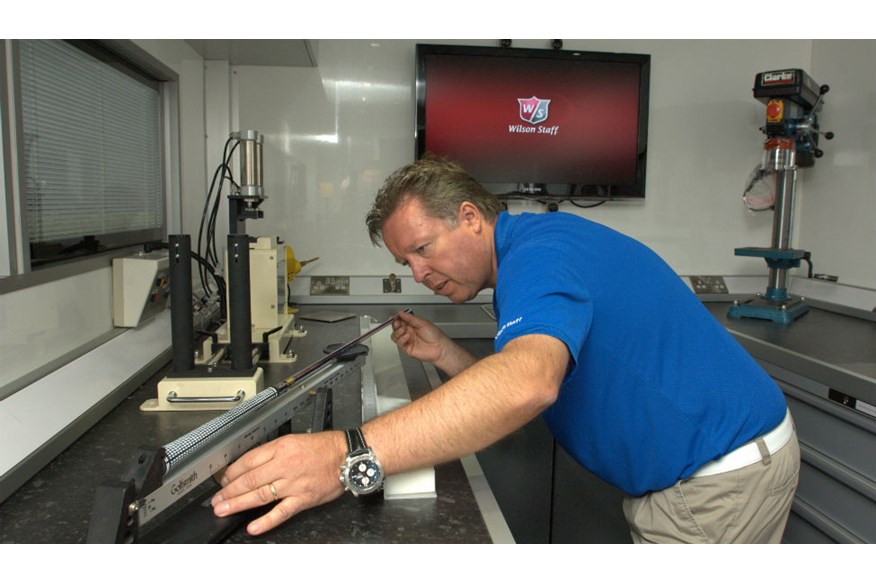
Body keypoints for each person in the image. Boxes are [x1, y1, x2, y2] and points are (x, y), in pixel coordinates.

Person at [211, 156, 800, 543]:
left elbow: (528, 384)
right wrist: (446, 353)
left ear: (470, 218)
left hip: (716, 480)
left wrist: (346, 457)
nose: (418, 273)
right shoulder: (536, 247)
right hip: (705, 466)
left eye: (423, 248)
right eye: (404, 263)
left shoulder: (537, 260)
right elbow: (536, 385)